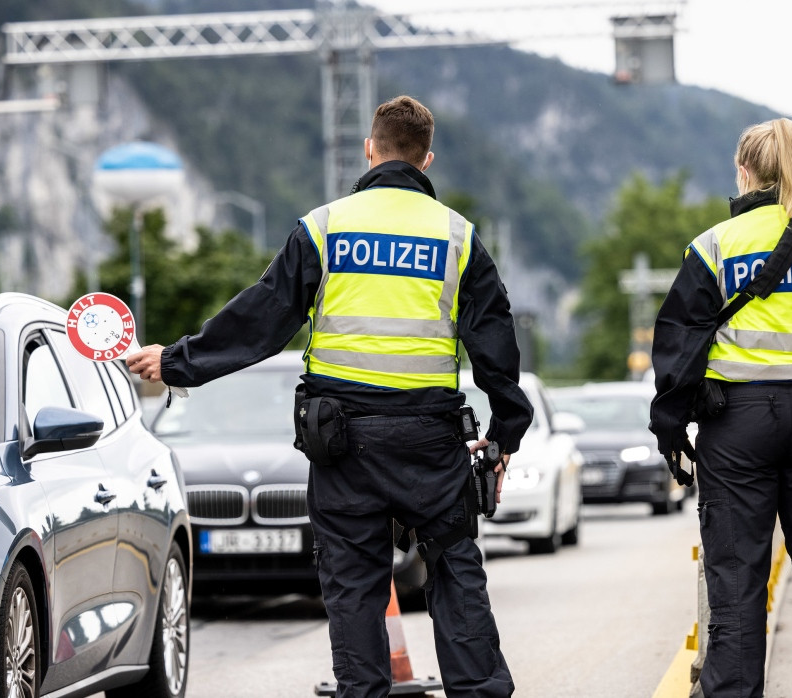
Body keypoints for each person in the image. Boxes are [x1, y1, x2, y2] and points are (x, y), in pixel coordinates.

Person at [127, 95, 532, 698]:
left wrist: (177, 363)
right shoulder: (458, 236)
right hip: (430, 441)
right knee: (454, 571)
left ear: (370, 149)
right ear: (427, 160)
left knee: (353, 585)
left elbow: (263, 319)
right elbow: (496, 344)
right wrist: (503, 435)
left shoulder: (324, 227)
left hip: (342, 441)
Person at [649, 117, 792, 698]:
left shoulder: (714, 247)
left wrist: (671, 426)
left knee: (738, 585)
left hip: (737, 424)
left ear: (746, 170)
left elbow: (678, 343)